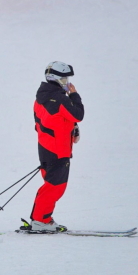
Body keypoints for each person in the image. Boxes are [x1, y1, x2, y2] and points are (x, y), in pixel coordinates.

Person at [27, 62, 84, 233]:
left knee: (52, 185)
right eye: (65, 78)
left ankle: (42, 219)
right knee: (55, 187)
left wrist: (72, 127)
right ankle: (40, 221)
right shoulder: (59, 98)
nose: (68, 82)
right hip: (57, 150)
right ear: (57, 78)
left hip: (46, 148)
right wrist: (74, 95)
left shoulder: (41, 97)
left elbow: (52, 119)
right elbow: (78, 114)